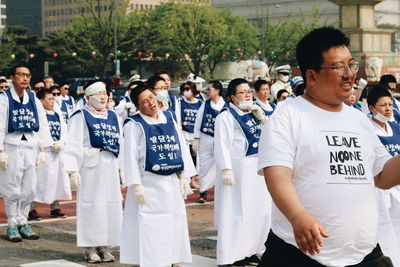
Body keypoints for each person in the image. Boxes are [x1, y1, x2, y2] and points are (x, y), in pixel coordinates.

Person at [258, 26, 399, 266]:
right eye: (338, 67)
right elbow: (277, 175)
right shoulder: (288, 116)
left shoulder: (358, 119)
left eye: (351, 65)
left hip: (363, 254)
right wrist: (298, 217)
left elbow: (383, 176)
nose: (349, 74)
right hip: (300, 254)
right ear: (311, 76)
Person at [120, 84, 195, 267]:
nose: (151, 103)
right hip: (149, 184)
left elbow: (181, 146)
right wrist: (136, 185)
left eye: (151, 97)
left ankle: (171, 260)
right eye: (145, 101)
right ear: (137, 107)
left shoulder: (168, 117)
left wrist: (185, 176)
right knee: (152, 226)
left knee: (174, 222)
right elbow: (130, 155)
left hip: (171, 180)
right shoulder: (134, 124)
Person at [63, 81, 123, 263]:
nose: (102, 97)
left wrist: (123, 168)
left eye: (104, 93)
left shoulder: (113, 116)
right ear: (88, 97)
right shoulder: (80, 116)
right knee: (91, 206)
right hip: (90, 167)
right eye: (97, 94)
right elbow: (72, 143)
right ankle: (90, 247)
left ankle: (105, 245)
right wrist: (73, 170)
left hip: (110, 165)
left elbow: (121, 142)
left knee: (110, 206)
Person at [214, 78, 271, 266]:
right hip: (236, 172)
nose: (247, 95)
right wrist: (226, 169)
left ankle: (253, 249)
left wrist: (262, 118)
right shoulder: (226, 116)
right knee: (235, 212)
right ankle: (231, 255)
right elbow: (221, 145)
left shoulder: (255, 113)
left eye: (249, 91)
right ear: (232, 97)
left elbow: (272, 134)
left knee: (258, 211)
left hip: (256, 170)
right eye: (242, 92)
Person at [0, 65, 53, 242]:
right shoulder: (4, 98)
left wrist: (43, 150)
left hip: (30, 145)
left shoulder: (34, 99)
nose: (24, 78)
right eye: (20, 75)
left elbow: (43, 125)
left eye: (27, 75)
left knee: (29, 187)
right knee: (12, 187)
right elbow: (0, 126)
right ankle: (12, 223)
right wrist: (1, 151)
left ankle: (23, 221)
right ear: (12, 78)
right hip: (12, 146)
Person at [367, 87, 400, 267]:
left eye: (390, 104)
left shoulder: (396, 127)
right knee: (385, 228)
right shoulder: (367, 129)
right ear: (371, 108)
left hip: (398, 185)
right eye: (383, 105)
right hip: (379, 187)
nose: (388, 109)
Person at [30, 89, 71, 219]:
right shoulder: (37, 115)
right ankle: (31, 208)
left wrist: (61, 142)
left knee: (57, 181)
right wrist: (47, 143)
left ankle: (55, 207)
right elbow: (36, 133)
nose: (52, 101)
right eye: (49, 99)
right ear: (41, 101)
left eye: (53, 99)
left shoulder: (57, 114)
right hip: (43, 152)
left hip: (56, 152)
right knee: (37, 181)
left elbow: (64, 130)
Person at [193, 80, 226, 203]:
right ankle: (203, 191)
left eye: (209, 89)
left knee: (221, 164)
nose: (207, 92)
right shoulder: (205, 104)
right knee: (204, 165)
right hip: (206, 137)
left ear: (217, 91)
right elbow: (198, 120)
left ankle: (220, 191)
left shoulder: (225, 105)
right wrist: (196, 138)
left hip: (220, 138)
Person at [176, 81, 203, 189]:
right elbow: (178, 119)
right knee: (187, 157)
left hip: (196, 135)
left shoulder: (200, 103)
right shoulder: (180, 102)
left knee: (197, 158)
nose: (186, 92)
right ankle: (186, 179)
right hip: (185, 134)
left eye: (188, 89)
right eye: (184, 90)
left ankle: (194, 179)